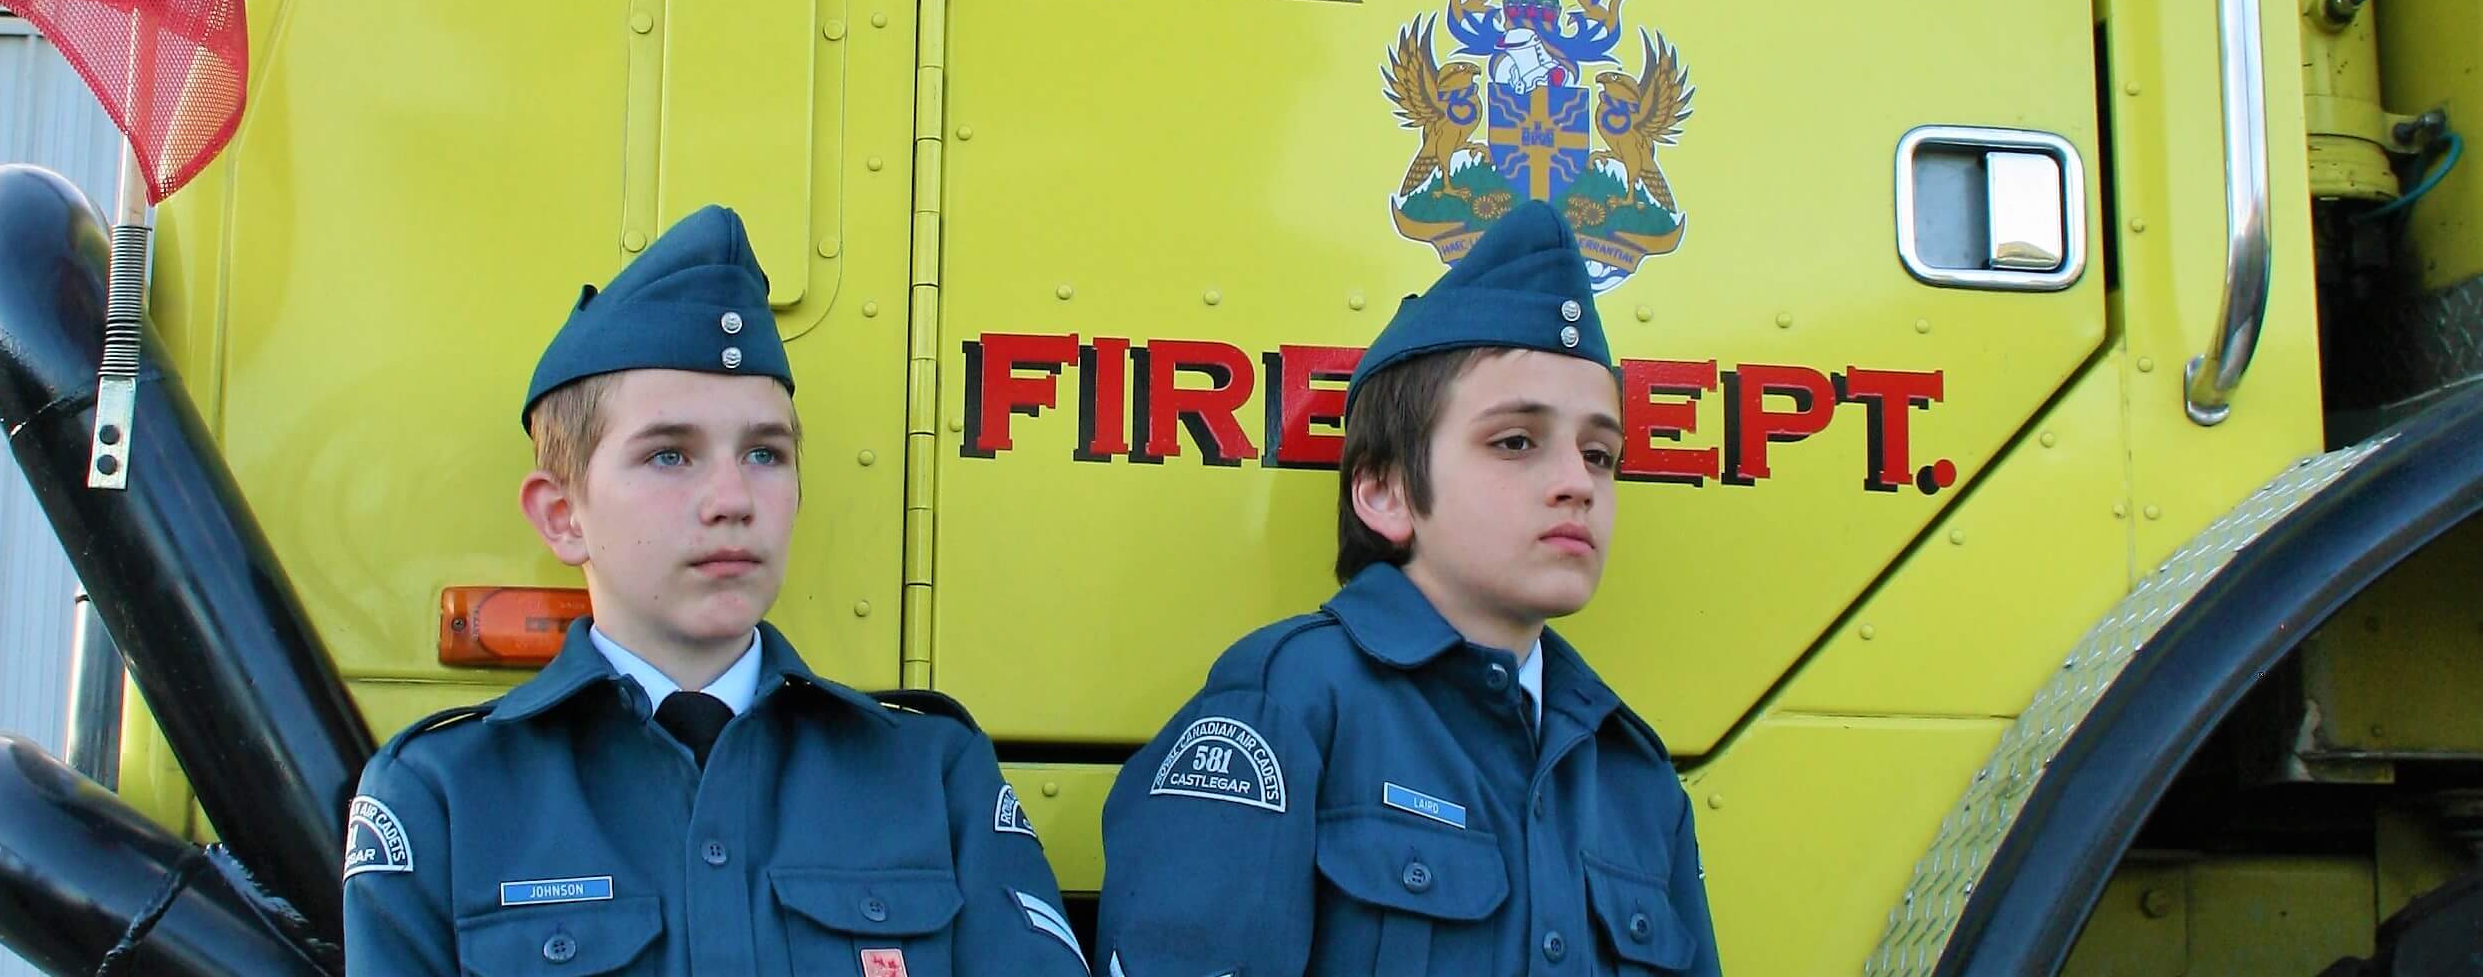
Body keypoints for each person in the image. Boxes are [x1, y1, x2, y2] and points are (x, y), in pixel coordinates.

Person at [342, 206, 1085, 976]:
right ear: (562, 516)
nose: (732, 499)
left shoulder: (927, 776)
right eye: (669, 455)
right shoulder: (445, 795)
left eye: (765, 454)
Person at [1094, 201, 1724, 976]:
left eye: (1599, 454)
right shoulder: (1290, 705)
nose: (1577, 483)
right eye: (1515, 442)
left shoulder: (1630, 772)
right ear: (1384, 493)